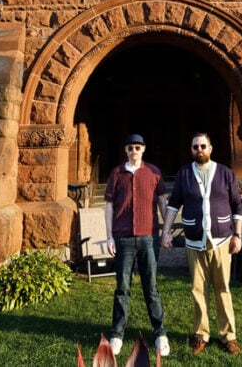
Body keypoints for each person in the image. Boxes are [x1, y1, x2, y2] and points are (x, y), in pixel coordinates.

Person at [162, 132, 242, 356]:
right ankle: (201, 334)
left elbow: (237, 206)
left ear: (211, 148)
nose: (199, 150)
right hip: (194, 242)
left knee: (223, 289)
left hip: (221, 241)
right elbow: (173, 205)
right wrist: (166, 231)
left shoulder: (225, 173)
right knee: (198, 290)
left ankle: (228, 335)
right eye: (195, 147)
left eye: (203, 146)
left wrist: (237, 235)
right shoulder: (184, 175)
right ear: (191, 150)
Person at [104, 133, 170, 358]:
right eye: (131, 148)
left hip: (149, 238)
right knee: (122, 289)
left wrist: (167, 231)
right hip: (123, 239)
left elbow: (162, 201)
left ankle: (160, 333)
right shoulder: (116, 173)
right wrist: (109, 236)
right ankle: (117, 334)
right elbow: (109, 207)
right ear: (126, 150)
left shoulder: (153, 172)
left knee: (151, 288)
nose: (134, 151)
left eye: (138, 148)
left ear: (143, 149)